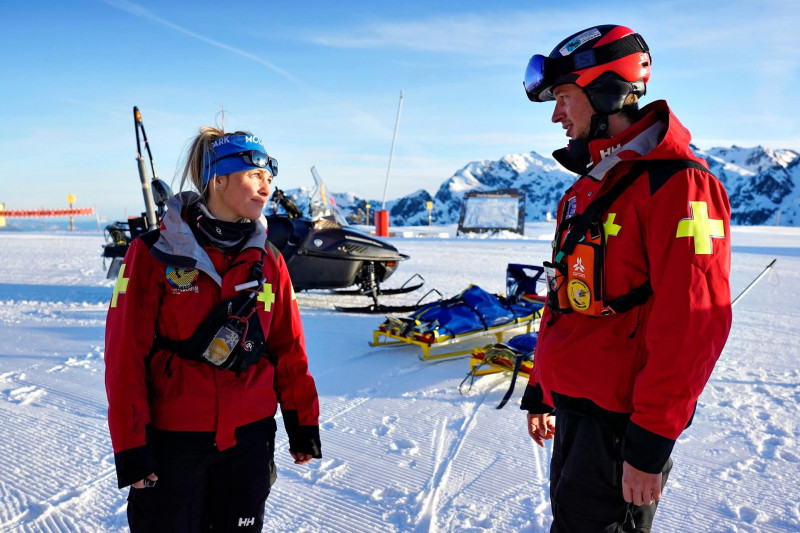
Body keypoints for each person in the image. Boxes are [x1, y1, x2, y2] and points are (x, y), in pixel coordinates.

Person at [520, 25, 732, 531]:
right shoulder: (588, 189)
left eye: (564, 98)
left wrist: (651, 443)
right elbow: (567, 297)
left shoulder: (679, 185)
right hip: (576, 409)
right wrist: (542, 388)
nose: (556, 115)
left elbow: (693, 324)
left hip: (620, 427)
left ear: (606, 91)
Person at [105, 127, 321, 532]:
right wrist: (132, 444)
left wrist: (302, 420)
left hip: (249, 441)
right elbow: (124, 356)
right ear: (217, 179)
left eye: (269, 179)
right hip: (174, 441)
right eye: (255, 175)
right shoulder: (154, 254)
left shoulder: (270, 260)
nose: (266, 187)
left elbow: (287, 346)